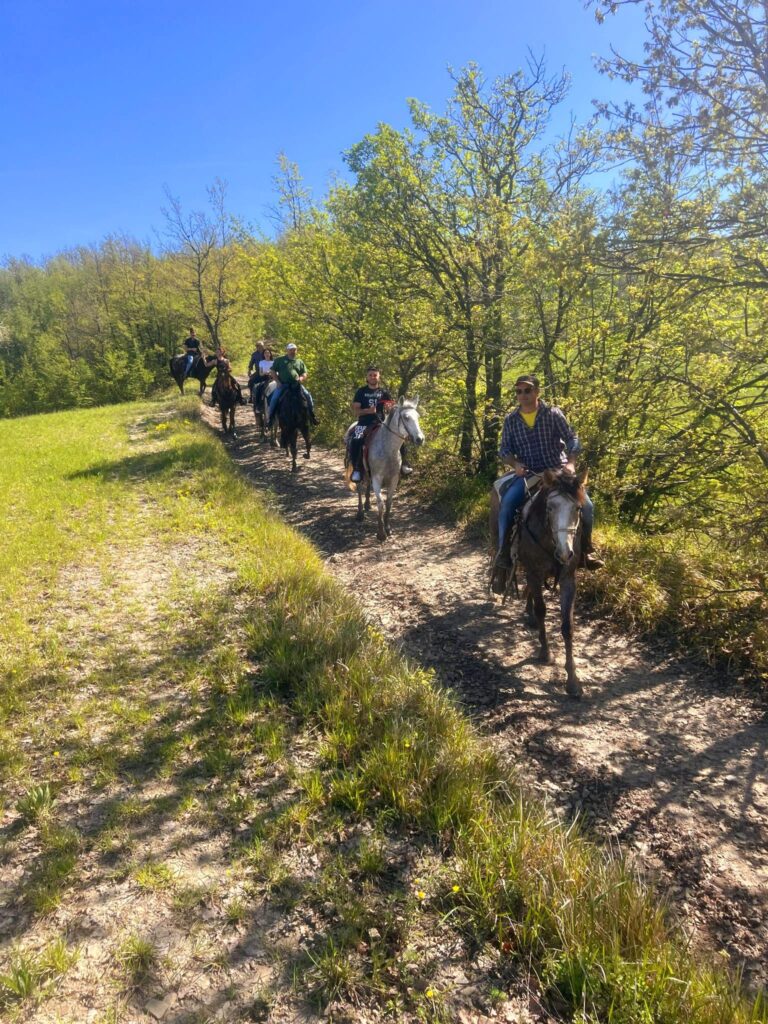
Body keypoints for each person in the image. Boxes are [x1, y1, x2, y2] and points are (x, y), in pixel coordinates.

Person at [495, 374, 603, 572]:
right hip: (529, 473)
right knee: (507, 504)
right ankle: (503, 551)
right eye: (519, 391)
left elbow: (572, 439)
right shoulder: (511, 420)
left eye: (527, 390)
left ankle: (586, 550)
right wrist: (515, 463)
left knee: (586, 506)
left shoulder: (553, 414)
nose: (523, 395)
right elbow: (504, 450)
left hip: (557, 471)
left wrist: (570, 463)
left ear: (537, 391)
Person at [349, 366, 394, 482]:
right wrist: (367, 411)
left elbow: (391, 408)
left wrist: (390, 408)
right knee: (356, 439)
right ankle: (356, 469)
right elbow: (356, 410)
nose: (373, 377)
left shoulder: (384, 392)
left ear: (379, 377)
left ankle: (402, 465)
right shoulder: (361, 391)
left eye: (375, 375)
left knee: (398, 437)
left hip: (381, 423)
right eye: (370, 375)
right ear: (367, 377)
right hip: (363, 422)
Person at [266, 343, 318, 426]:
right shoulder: (280, 360)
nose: (292, 351)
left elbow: (304, 373)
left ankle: (312, 416)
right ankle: (270, 418)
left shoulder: (299, 361)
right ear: (287, 350)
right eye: (290, 350)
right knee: (274, 398)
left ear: (296, 351)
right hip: (283, 384)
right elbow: (272, 371)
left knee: (308, 396)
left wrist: (301, 378)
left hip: (296, 385)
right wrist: (278, 382)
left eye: (294, 350)